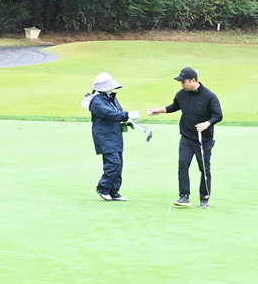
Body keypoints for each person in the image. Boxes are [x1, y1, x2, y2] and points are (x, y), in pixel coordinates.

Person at [148, 66, 222, 208]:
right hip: (186, 137)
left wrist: (207, 123)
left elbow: (218, 115)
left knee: (204, 169)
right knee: (183, 164)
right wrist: (160, 110)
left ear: (193, 80)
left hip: (203, 139)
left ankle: (204, 198)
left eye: (184, 82)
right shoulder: (182, 94)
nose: (182, 84)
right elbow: (175, 106)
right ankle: (184, 197)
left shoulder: (209, 96)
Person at [81, 72, 139, 201]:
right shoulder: (96, 101)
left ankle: (114, 191)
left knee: (119, 163)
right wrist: (127, 115)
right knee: (113, 162)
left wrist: (125, 119)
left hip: (115, 134)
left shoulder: (111, 98)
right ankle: (103, 187)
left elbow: (118, 111)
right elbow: (109, 114)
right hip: (104, 136)